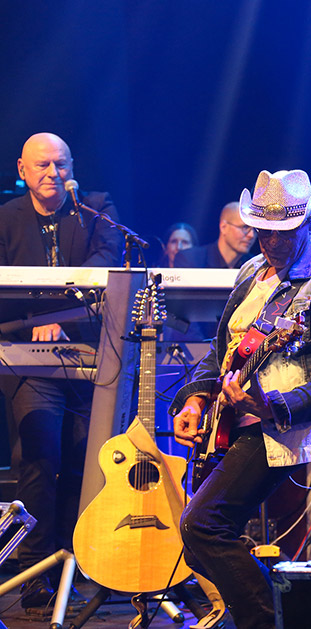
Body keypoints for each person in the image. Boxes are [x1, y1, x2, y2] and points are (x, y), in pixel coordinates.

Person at [171, 169, 311, 628]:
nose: (270, 243)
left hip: (285, 426)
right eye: (263, 231)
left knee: (203, 525)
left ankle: (271, 620)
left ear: (310, 224)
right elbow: (223, 354)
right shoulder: (252, 272)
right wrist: (196, 400)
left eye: (283, 233)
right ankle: (286, 609)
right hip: (238, 420)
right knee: (199, 540)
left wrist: (270, 406)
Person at [0, 132, 121, 611]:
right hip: (27, 360)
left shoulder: (94, 209)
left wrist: (58, 313)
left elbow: (108, 261)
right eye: (43, 165)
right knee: (40, 456)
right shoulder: (6, 218)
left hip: (89, 357)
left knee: (81, 458)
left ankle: (77, 560)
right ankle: (35, 570)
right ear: (22, 170)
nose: (53, 173)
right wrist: (38, 320)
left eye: (62, 163)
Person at [175, 201, 256, 268]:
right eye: (245, 228)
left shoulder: (255, 266)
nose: (251, 235)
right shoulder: (191, 260)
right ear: (223, 227)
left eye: (255, 230)